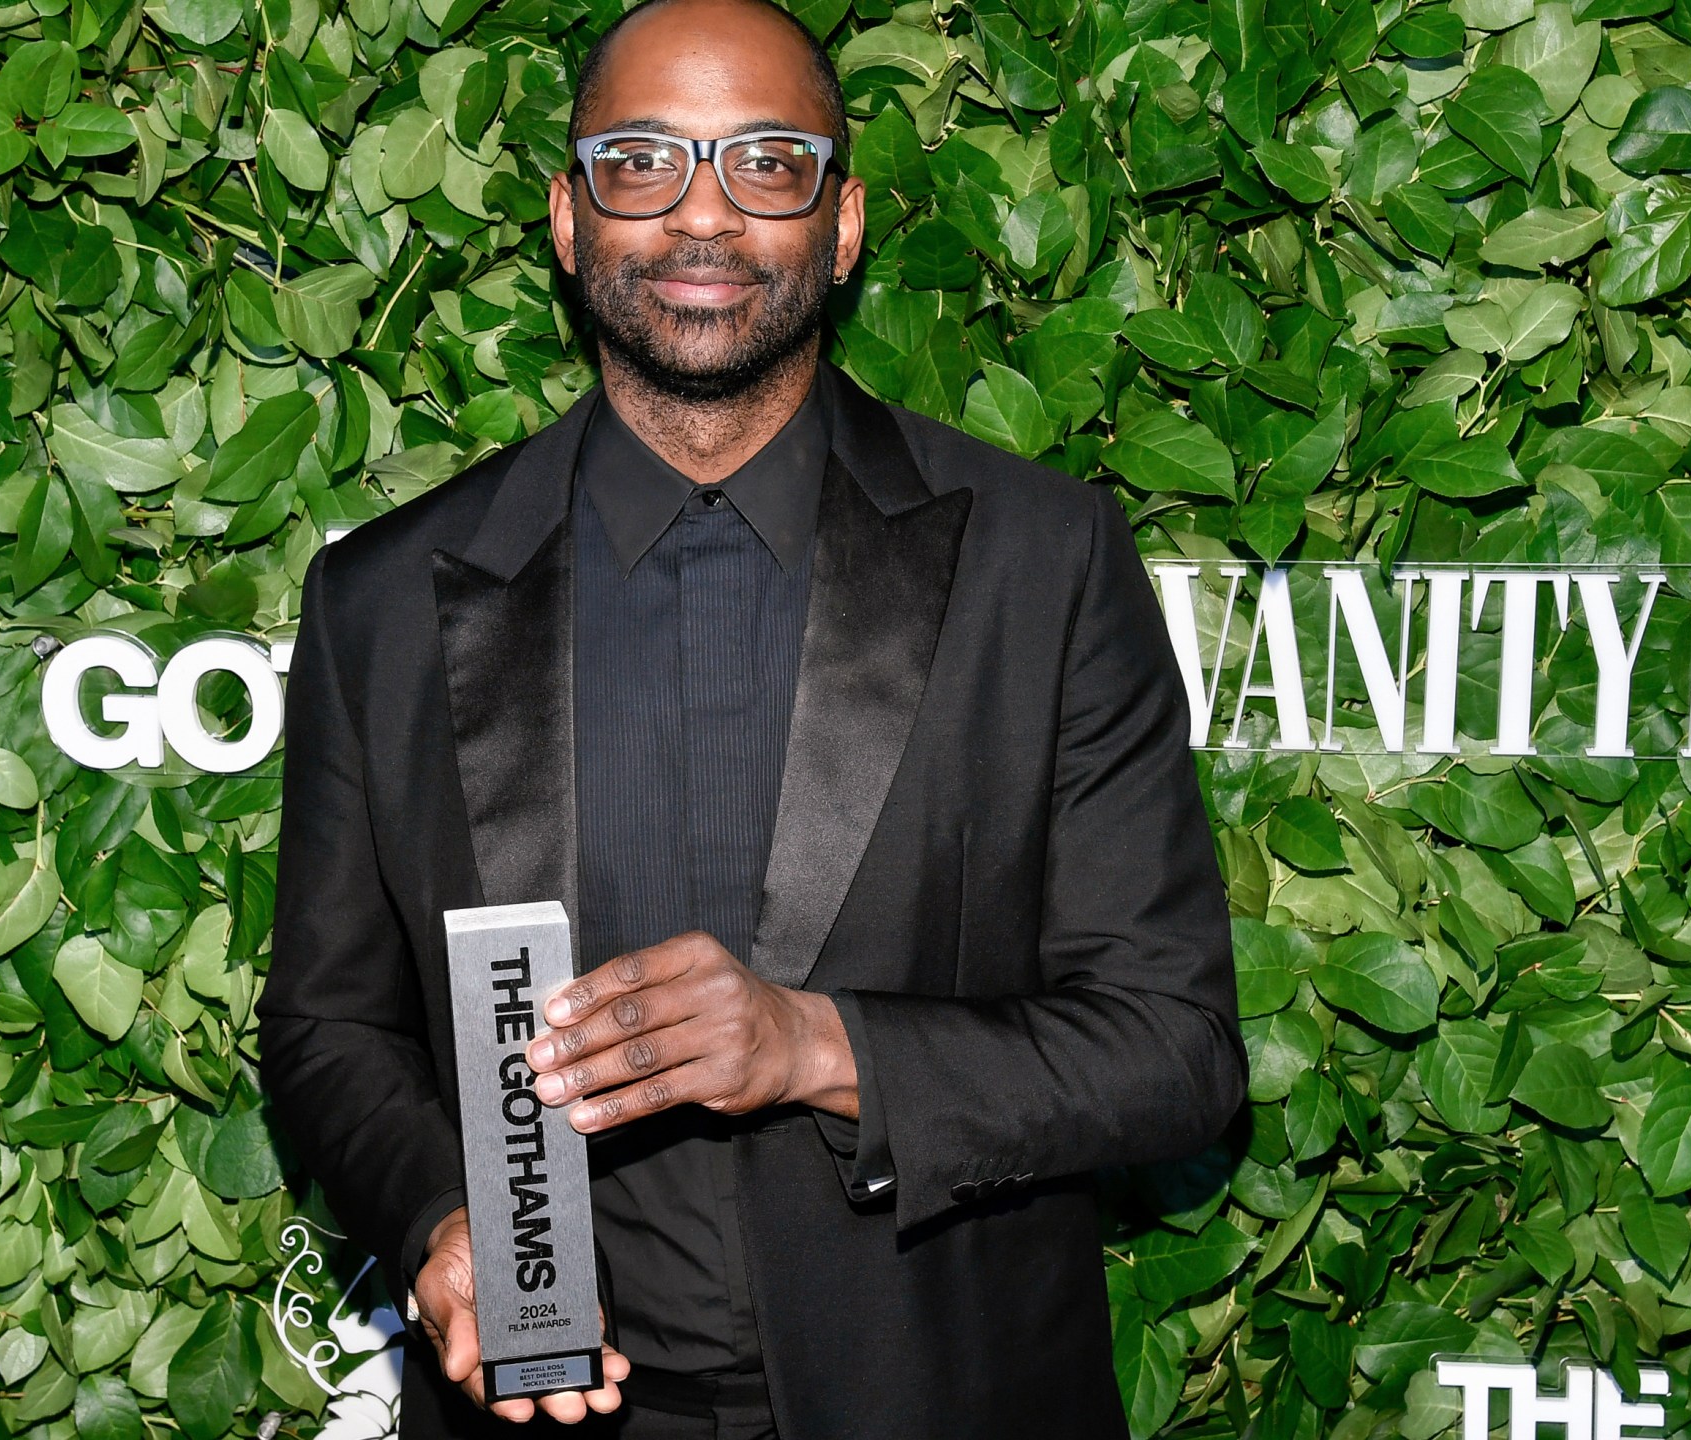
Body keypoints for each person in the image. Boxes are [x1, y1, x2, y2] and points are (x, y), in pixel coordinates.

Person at [254, 0, 1246, 1434]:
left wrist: (812, 1046)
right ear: (568, 216)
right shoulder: (386, 599)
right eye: (642, 162)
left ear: (841, 224)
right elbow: (327, 1026)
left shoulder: (1043, 562)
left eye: (767, 163)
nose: (701, 216)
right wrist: (438, 1222)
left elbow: (1175, 1052)